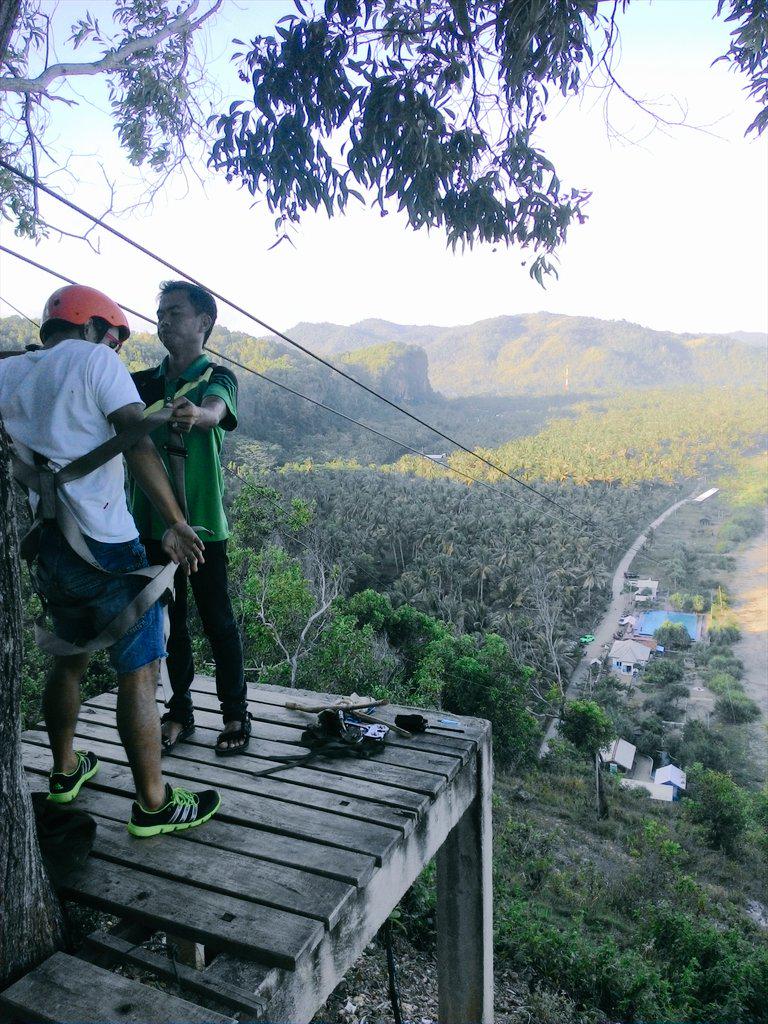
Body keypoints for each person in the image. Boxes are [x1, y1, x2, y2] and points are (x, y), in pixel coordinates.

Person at [0, 284, 221, 837]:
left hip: (49, 543)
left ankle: (64, 769)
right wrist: (174, 521)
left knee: (69, 657)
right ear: (94, 327)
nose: (115, 350)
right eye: (114, 338)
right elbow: (137, 441)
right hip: (104, 542)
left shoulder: (11, 372)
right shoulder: (95, 359)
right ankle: (153, 803)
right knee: (140, 670)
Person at [130, 281, 249, 756]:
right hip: (153, 527)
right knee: (170, 623)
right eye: (159, 314)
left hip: (202, 528)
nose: (163, 321)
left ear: (204, 322)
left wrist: (196, 413)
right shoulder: (139, 384)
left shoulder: (218, 377)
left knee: (218, 619)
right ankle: (179, 711)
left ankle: (236, 713)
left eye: (174, 312)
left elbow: (217, 412)